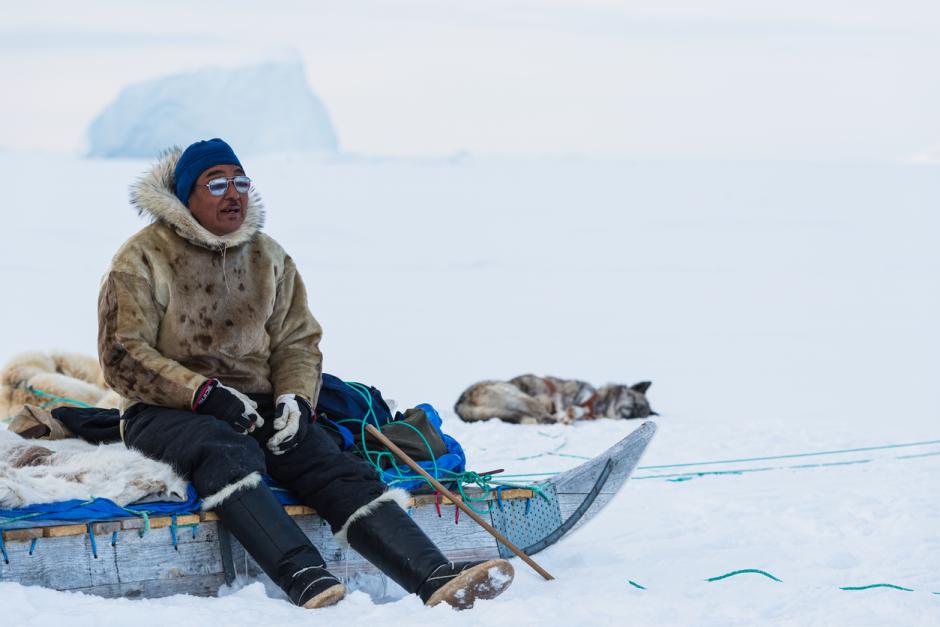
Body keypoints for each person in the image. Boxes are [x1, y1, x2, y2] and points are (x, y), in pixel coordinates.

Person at [97, 138, 513, 609]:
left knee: (324, 456)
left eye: (240, 181)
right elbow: (122, 355)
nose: (233, 193)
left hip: (256, 404)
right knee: (223, 450)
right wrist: (202, 394)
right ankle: (306, 578)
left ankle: (435, 576)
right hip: (164, 410)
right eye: (216, 184)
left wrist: (296, 398)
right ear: (186, 195)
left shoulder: (269, 257)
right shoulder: (141, 258)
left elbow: (298, 341)